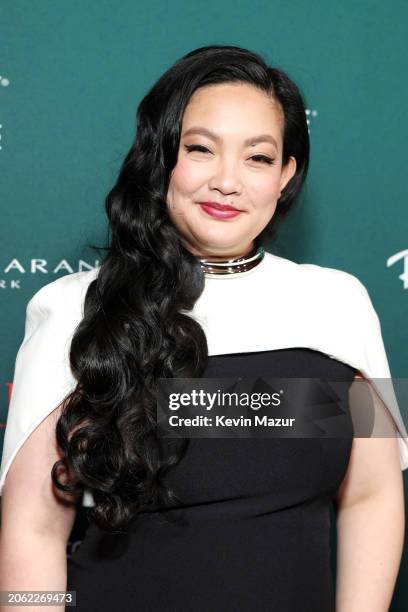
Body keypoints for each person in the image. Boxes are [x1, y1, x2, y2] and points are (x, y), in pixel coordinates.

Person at [0, 45, 406, 612]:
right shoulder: (75, 309)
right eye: (200, 150)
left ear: (286, 175)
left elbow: (371, 495)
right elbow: (33, 531)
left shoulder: (336, 307)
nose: (227, 181)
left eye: (258, 158)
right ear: (162, 158)